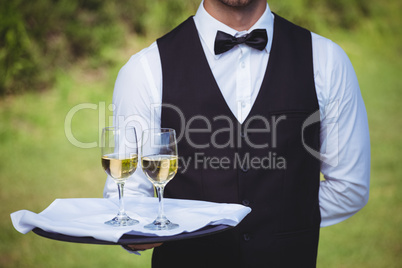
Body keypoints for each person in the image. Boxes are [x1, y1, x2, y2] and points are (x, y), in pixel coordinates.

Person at [103, 0, 371, 267]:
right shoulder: (145, 70)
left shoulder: (326, 60)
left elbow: (349, 187)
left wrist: (280, 224)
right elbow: (126, 197)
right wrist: (139, 230)